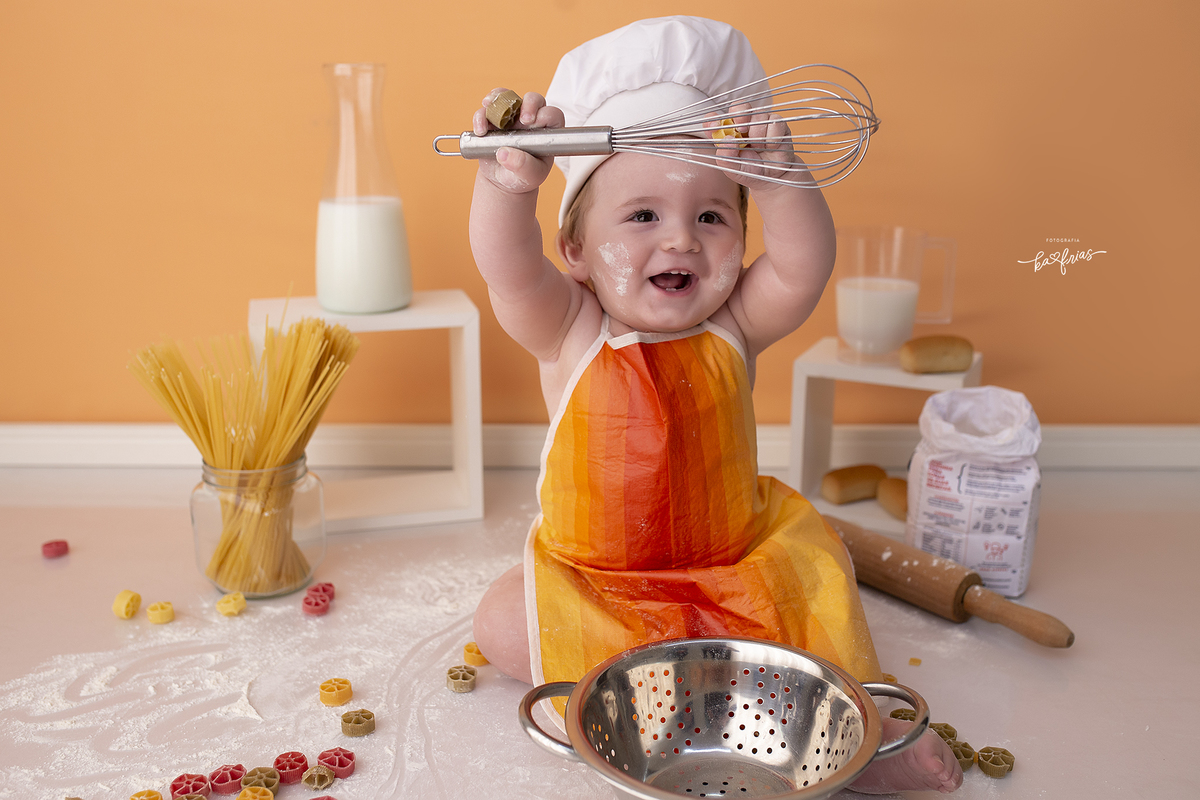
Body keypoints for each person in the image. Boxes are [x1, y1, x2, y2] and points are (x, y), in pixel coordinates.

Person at [468, 16, 962, 794]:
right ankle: (657, 696)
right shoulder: (570, 329)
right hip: (604, 580)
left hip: (733, 567)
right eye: (642, 216)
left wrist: (780, 179)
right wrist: (507, 184)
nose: (681, 240)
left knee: (815, 585)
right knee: (500, 623)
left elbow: (802, 268)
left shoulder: (734, 325)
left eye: (711, 215)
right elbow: (507, 268)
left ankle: (858, 732)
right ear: (575, 251)